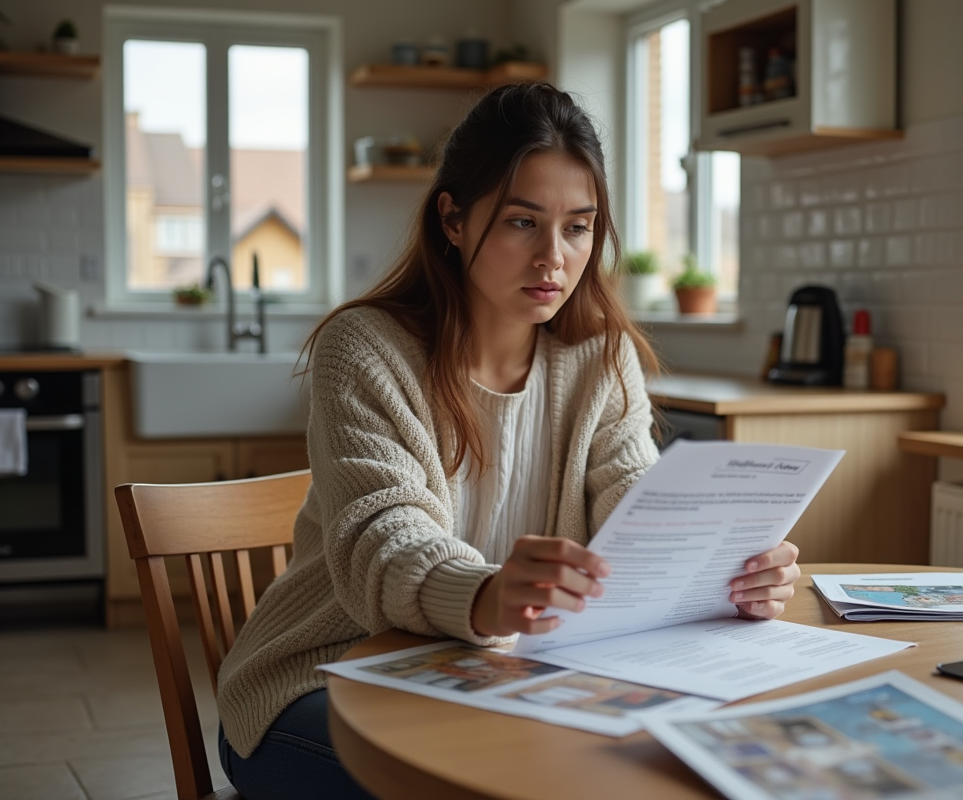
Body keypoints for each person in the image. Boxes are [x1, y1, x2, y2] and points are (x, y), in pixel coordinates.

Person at [215, 82, 801, 800]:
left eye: (579, 227)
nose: (553, 258)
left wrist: (722, 571)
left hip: (506, 676)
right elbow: (384, 537)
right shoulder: (365, 348)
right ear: (453, 220)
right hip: (323, 678)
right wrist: (488, 594)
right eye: (523, 222)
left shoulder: (601, 353)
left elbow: (635, 503)